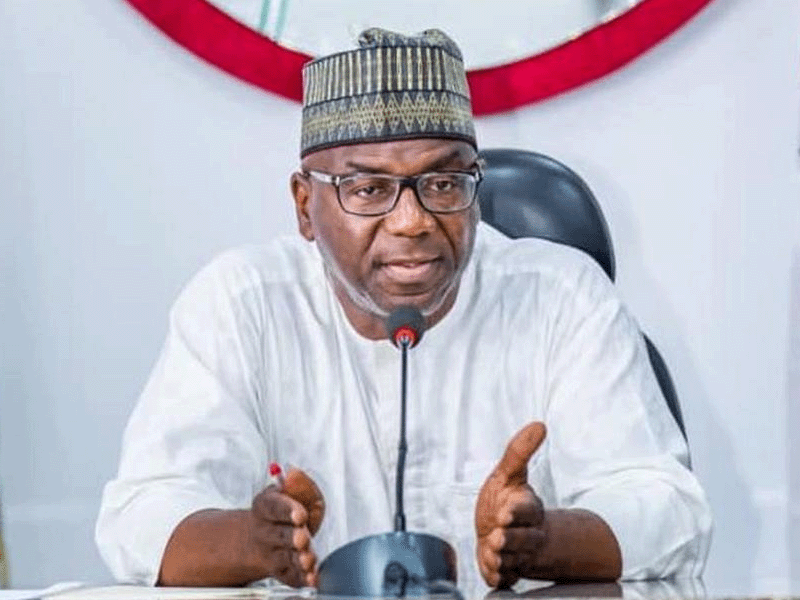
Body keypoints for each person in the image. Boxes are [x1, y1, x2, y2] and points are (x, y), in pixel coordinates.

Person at [96, 28, 712, 591]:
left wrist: (546, 541)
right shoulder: (241, 304)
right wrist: (253, 544)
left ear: (476, 188)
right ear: (305, 206)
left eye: (443, 184)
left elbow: (667, 506)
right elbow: (139, 518)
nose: (413, 221)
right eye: (369, 190)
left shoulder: (560, 296)